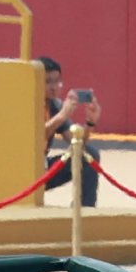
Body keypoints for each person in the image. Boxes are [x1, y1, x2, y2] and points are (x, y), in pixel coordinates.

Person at [40, 54, 103, 208]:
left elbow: (78, 143)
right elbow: (31, 139)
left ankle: (84, 210)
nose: (54, 87)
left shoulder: (54, 106)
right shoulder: (25, 102)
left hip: (42, 168)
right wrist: (61, 117)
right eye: (47, 82)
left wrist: (90, 122)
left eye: (57, 81)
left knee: (88, 154)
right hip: (23, 172)